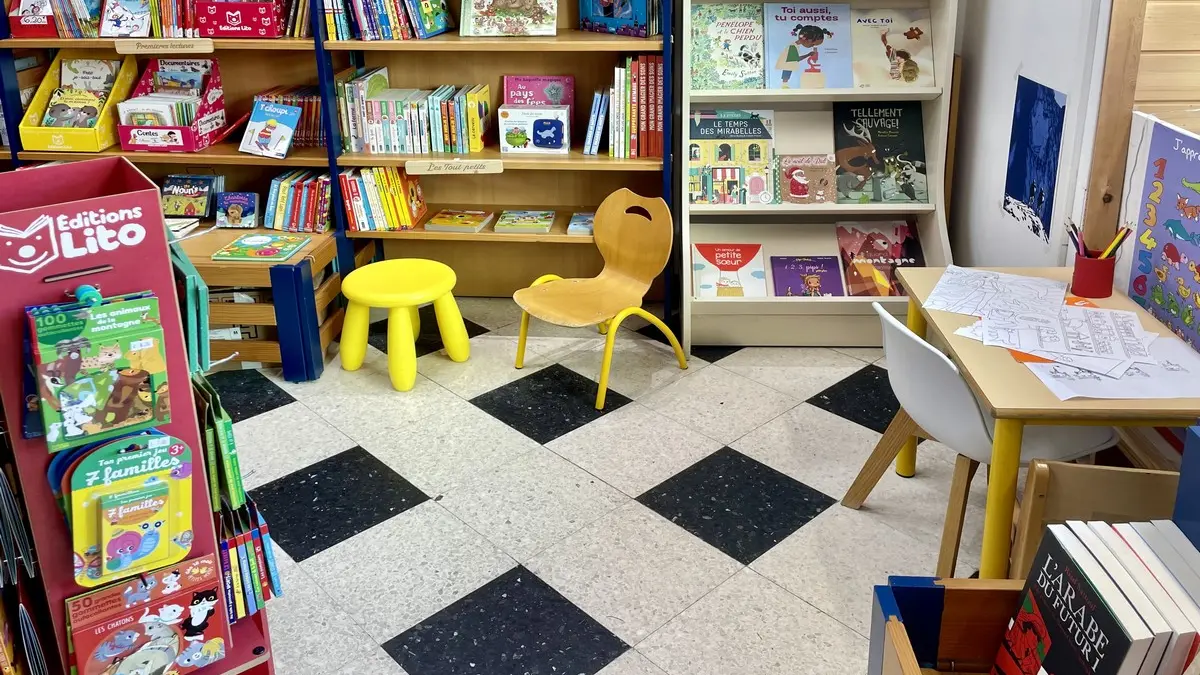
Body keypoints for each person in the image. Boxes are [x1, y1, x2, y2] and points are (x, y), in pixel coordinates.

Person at [775, 24, 832, 88]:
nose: (813, 46)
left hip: (788, 66)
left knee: (788, 72)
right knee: (787, 72)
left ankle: (785, 84)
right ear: (805, 39)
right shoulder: (793, 47)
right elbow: (796, 59)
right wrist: (808, 54)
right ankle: (784, 85)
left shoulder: (795, 46)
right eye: (813, 44)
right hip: (787, 66)